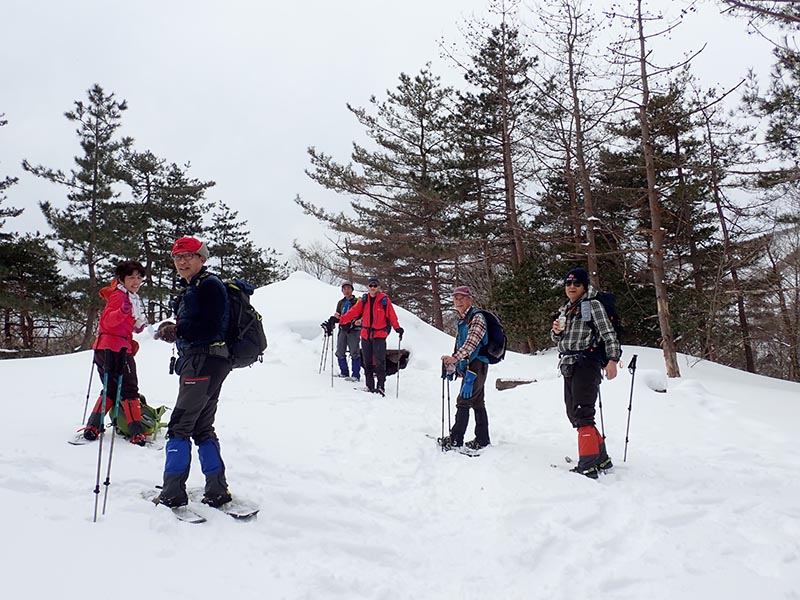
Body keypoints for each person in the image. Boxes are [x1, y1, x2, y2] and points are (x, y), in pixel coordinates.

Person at [153, 236, 233, 508]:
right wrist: (173, 328)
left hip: (203, 360)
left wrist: (178, 331)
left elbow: (210, 325)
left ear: (202, 258)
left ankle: (172, 493)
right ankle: (217, 489)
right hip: (208, 361)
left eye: (189, 255)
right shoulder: (193, 288)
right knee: (201, 426)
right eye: (178, 257)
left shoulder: (209, 285)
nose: (182, 261)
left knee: (179, 426)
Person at [551, 267, 620, 479]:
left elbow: (608, 333)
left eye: (576, 283)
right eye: (568, 283)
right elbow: (558, 341)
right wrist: (556, 332)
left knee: (583, 413)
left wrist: (612, 360)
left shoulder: (593, 305)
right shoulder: (566, 309)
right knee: (574, 413)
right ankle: (602, 459)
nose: (572, 287)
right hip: (569, 363)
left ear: (584, 286)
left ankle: (588, 466)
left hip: (586, 362)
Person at [81, 260, 149, 446]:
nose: (136, 281)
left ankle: (92, 427)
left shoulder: (131, 297)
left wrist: (138, 325)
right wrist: (122, 311)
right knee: (129, 389)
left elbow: (130, 325)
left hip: (105, 348)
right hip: (116, 349)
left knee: (111, 388)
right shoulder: (120, 297)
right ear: (121, 279)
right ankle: (136, 432)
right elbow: (108, 322)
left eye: (139, 277)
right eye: (131, 277)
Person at [439, 286, 492, 450]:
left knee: (463, 401)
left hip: (477, 365)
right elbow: (462, 345)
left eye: (462, 298)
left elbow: (471, 344)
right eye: (456, 298)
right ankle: (482, 439)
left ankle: (455, 439)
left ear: (470, 299)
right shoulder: (463, 319)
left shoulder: (476, 318)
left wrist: (454, 358)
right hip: (473, 365)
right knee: (477, 401)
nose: (458, 301)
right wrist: (453, 365)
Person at [338, 277, 403, 396]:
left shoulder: (384, 300)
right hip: (366, 334)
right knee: (367, 361)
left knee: (380, 361)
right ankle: (369, 385)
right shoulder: (363, 300)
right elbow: (353, 312)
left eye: (375, 286)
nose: (373, 288)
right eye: (371, 286)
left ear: (378, 287)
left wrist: (397, 327)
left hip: (379, 334)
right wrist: (341, 320)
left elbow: (391, 315)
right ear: (367, 287)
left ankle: (380, 386)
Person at [330, 281, 362, 381]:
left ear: (352, 290)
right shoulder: (341, 303)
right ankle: (344, 372)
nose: (346, 291)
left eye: (348, 288)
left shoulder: (357, 302)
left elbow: (360, 315)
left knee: (354, 352)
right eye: (344, 289)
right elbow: (338, 314)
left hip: (353, 330)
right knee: (340, 351)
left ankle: (355, 375)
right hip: (343, 329)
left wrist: (357, 321)